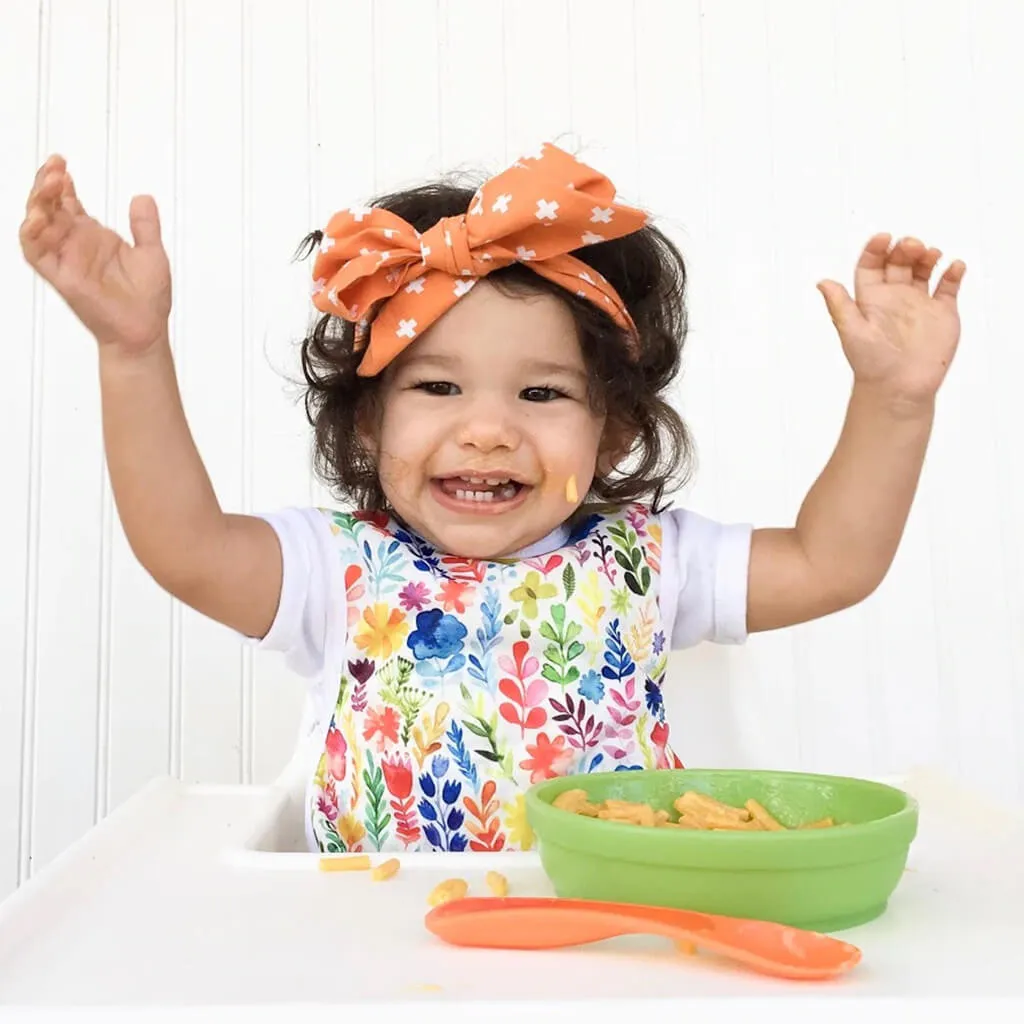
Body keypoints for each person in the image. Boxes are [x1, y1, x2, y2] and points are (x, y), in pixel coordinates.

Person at [19, 142, 964, 854]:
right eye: (437, 388)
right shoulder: (335, 572)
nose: (487, 429)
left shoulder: (652, 563)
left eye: (541, 394)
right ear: (364, 425)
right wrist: (133, 353)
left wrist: (894, 402)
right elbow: (180, 542)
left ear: (617, 430)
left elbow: (833, 561)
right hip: (369, 955)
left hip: (604, 948)